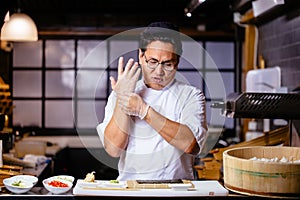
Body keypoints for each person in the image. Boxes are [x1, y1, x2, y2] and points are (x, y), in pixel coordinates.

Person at [97, 21, 207, 181]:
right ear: (141, 56)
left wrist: (144, 110)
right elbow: (113, 149)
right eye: (153, 62)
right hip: (131, 189)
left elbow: (191, 144)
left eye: (167, 63)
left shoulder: (191, 95)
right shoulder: (123, 90)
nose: (159, 71)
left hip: (178, 190)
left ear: (177, 62)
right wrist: (123, 100)